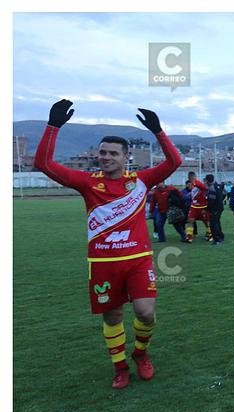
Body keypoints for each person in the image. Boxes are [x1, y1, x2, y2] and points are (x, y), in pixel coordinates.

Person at [34, 99, 181, 389]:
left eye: (113, 153)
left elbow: (174, 162)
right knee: (113, 316)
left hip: (138, 259)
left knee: (145, 312)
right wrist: (52, 127)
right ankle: (120, 366)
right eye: (102, 152)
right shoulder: (87, 182)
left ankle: (141, 353)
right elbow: (43, 164)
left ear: (126, 156)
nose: (106, 157)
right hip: (102, 263)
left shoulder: (140, 180)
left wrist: (159, 132)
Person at [184, 170, 211, 242]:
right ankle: (189, 237)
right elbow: (195, 192)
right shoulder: (193, 186)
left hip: (202, 207)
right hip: (194, 207)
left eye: (191, 177)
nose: (189, 178)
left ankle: (209, 235)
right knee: (190, 220)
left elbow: (204, 188)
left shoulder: (198, 183)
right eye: (189, 177)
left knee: (206, 221)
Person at [205, 174, 225, 245]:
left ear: (207, 180)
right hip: (220, 207)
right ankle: (221, 236)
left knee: (213, 224)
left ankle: (217, 239)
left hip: (215, 208)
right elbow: (223, 194)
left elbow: (211, 200)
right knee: (217, 222)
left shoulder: (212, 187)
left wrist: (207, 208)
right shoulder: (218, 185)